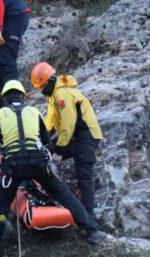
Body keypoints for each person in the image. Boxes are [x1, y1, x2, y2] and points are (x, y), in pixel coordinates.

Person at [0, 80, 106, 257]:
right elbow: (46, 140)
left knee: (0, 207)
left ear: (5, 99)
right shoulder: (34, 112)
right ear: (23, 97)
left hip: (13, 167)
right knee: (65, 195)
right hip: (38, 163)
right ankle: (92, 231)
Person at [30, 62, 103, 219]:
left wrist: (57, 149)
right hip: (75, 137)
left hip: (85, 136)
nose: (41, 91)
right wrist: (39, 140)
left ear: (49, 81)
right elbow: (50, 123)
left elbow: (68, 125)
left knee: (84, 176)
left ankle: (89, 217)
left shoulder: (63, 94)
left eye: (42, 87)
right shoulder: (53, 96)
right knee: (49, 154)